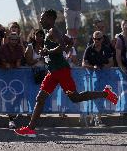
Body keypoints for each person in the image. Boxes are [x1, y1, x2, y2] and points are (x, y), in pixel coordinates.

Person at [14, 9, 118, 137]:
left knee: (75, 98)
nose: (40, 20)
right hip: (53, 71)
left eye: (43, 18)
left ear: (51, 19)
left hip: (61, 70)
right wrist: (54, 53)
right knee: (40, 98)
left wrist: (48, 52)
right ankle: (30, 128)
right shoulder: (52, 31)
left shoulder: (53, 31)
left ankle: (105, 93)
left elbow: (62, 47)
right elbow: (69, 42)